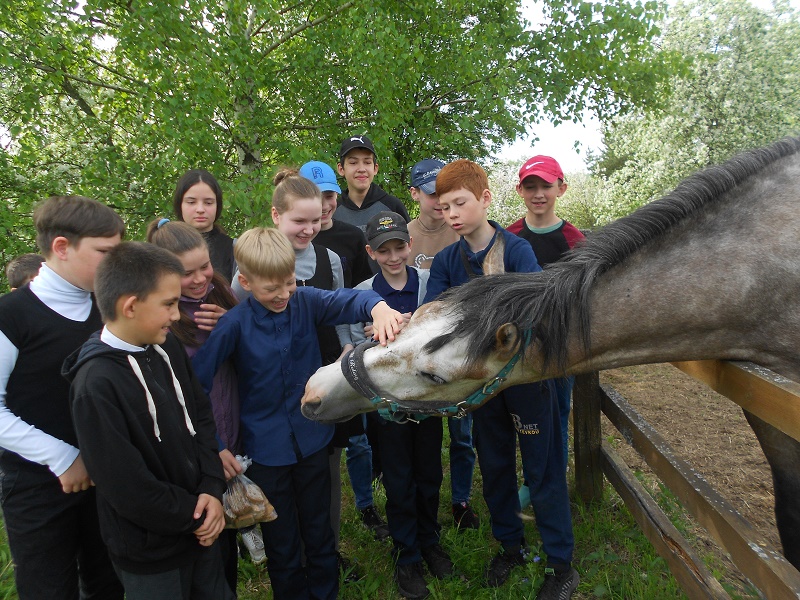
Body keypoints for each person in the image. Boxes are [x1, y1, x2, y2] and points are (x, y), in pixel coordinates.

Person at [191, 227, 404, 600]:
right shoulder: (233, 325)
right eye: (271, 288)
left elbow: (351, 298)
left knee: (320, 532)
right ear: (245, 281)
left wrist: (380, 307)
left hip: (312, 443)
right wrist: (217, 443)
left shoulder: (304, 301)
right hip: (266, 454)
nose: (282, 295)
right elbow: (197, 389)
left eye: (289, 283)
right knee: (283, 543)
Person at [424, 160, 579, 599]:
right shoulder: (446, 262)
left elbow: (535, 315)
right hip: (481, 385)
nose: (451, 213)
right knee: (493, 465)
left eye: (460, 203)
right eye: (444, 206)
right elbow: (435, 319)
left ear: (485, 199)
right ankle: (510, 546)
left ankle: (560, 563)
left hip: (528, 380)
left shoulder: (516, 251)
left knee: (541, 466)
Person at [64, 242, 232, 600]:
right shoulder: (96, 386)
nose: (176, 315)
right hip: (152, 552)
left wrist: (211, 489)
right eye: (169, 304)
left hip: (202, 527)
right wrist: (195, 513)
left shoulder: (166, 345)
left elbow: (200, 415)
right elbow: (125, 485)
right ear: (130, 306)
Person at [0, 196, 125, 599]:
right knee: (48, 587)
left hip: (105, 477)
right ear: (61, 247)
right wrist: (63, 458)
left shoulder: (105, 311)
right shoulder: (11, 316)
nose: (114, 263)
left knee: (106, 582)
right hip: (37, 485)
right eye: (104, 252)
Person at [147, 218, 264, 589]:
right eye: (186, 273)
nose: (199, 278)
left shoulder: (218, 296)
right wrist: (211, 448)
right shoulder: (160, 321)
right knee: (205, 540)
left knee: (225, 534)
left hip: (232, 429)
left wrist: (231, 323)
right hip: (198, 444)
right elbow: (174, 394)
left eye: (205, 267)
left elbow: (249, 358)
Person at [350, 211, 453, 600]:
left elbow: (446, 328)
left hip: (426, 399)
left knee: (428, 472)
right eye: (384, 251)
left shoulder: (428, 283)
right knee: (397, 477)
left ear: (410, 245)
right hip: (388, 403)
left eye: (399, 247)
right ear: (371, 252)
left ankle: (429, 540)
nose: (393, 257)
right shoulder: (363, 293)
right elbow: (350, 349)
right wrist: (368, 338)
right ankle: (406, 553)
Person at [297, 161, 389, 562]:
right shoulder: (262, 253)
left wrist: (370, 317)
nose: (320, 209)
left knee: (335, 451)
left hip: (329, 360)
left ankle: (328, 548)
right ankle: (293, 549)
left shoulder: (336, 251)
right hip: (279, 375)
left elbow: (346, 299)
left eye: (327, 197)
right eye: (312, 202)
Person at [407, 159, 479, 531]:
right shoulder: (402, 235)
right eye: (433, 194)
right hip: (421, 345)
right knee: (429, 431)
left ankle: (462, 500)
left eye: (446, 196)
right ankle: (423, 498)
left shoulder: (461, 231)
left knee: (463, 432)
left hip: (464, 345)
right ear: (416, 194)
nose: (440, 203)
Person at [506, 155, 586, 486]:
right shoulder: (509, 236)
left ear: (561, 189)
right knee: (523, 415)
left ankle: (555, 477)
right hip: (519, 345)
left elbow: (584, 295)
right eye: (531, 187)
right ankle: (529, 478)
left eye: (546, 186)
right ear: (519, 191)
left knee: (558, 411)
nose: (538, 194)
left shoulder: (574, 239)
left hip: (560, 343)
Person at [335, 134, 410, 235]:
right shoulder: (333, 212)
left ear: (375, 168)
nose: (361, 169)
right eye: (353, 163)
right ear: (341, 169)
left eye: (367, 162)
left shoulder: (393, 207)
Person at [173, 169, 236, 283]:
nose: (200, 210)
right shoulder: (165, 247)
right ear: (180, 204)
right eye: (191, 202)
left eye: (208, 203)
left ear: (218, 205)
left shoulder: (234, 249)